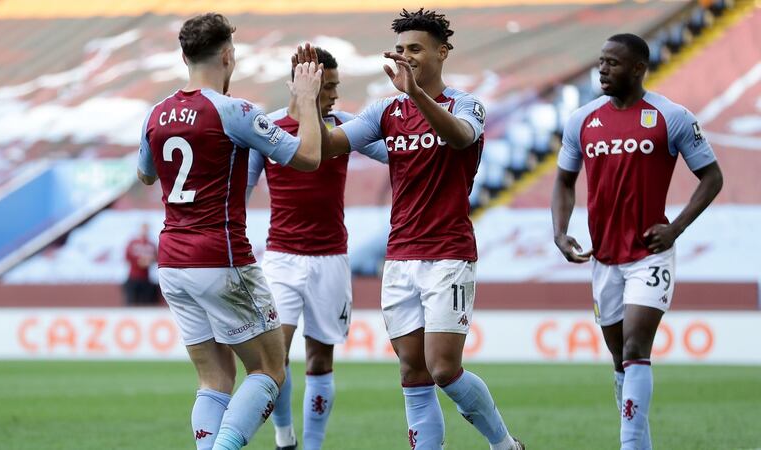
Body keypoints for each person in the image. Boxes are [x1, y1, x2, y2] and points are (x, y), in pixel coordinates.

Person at [302, 9, 523, 450]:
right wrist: (307, 100)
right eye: (401, 49)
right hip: (400, 258)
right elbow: (326, 147)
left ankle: (504, 444)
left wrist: (417, 95)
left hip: (448, 254)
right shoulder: (386, 111)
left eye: (416, 49)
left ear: (443, 52)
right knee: (412, 372)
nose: (405, 57)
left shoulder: (466, 105)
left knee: (443, 368)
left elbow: (461, 137)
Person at [136, 13, 324, 450]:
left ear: (184, 57)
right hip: (220, 258)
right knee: (270, 369)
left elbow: (146, 175)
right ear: (226, 56)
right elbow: (309, 157)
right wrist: (307, 100)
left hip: (173, 262)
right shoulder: (233, 111)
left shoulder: (156, 114)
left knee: (215, 377)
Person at [551, 33, 723, 450]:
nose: (602, 69)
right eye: (601, 61)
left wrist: (675, 228)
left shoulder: (671, 117)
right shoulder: (581, 120)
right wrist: (560, 232)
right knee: (620, 359)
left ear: (638, 68)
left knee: (634, 346)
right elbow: (564, 182)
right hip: (604, 257)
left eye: (612, 62)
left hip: (650, 255)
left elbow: (712, 177)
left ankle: (628, 446)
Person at [247, 47, 388, 450]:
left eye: (336, 86)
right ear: (300, 84)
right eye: (326, 87)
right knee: (274, 357)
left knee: (320, 360)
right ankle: (284, 437)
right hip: (281, 259)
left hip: (331, 260)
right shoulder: (267, 128)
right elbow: (241, 192)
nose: (334, 94)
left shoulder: (343, 126)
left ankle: (312, 446)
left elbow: (397, 157)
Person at [123, 223, 158, 306]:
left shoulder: (151, 244)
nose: (145, 231)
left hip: (146, 279)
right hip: (133, 277)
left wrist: (149, 261)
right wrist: (140, 261)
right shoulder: (133, 243)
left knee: (146, 304)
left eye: (146, 229)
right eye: (143, 229)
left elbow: (156, 258)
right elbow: (128, 257)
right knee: (131, 303)